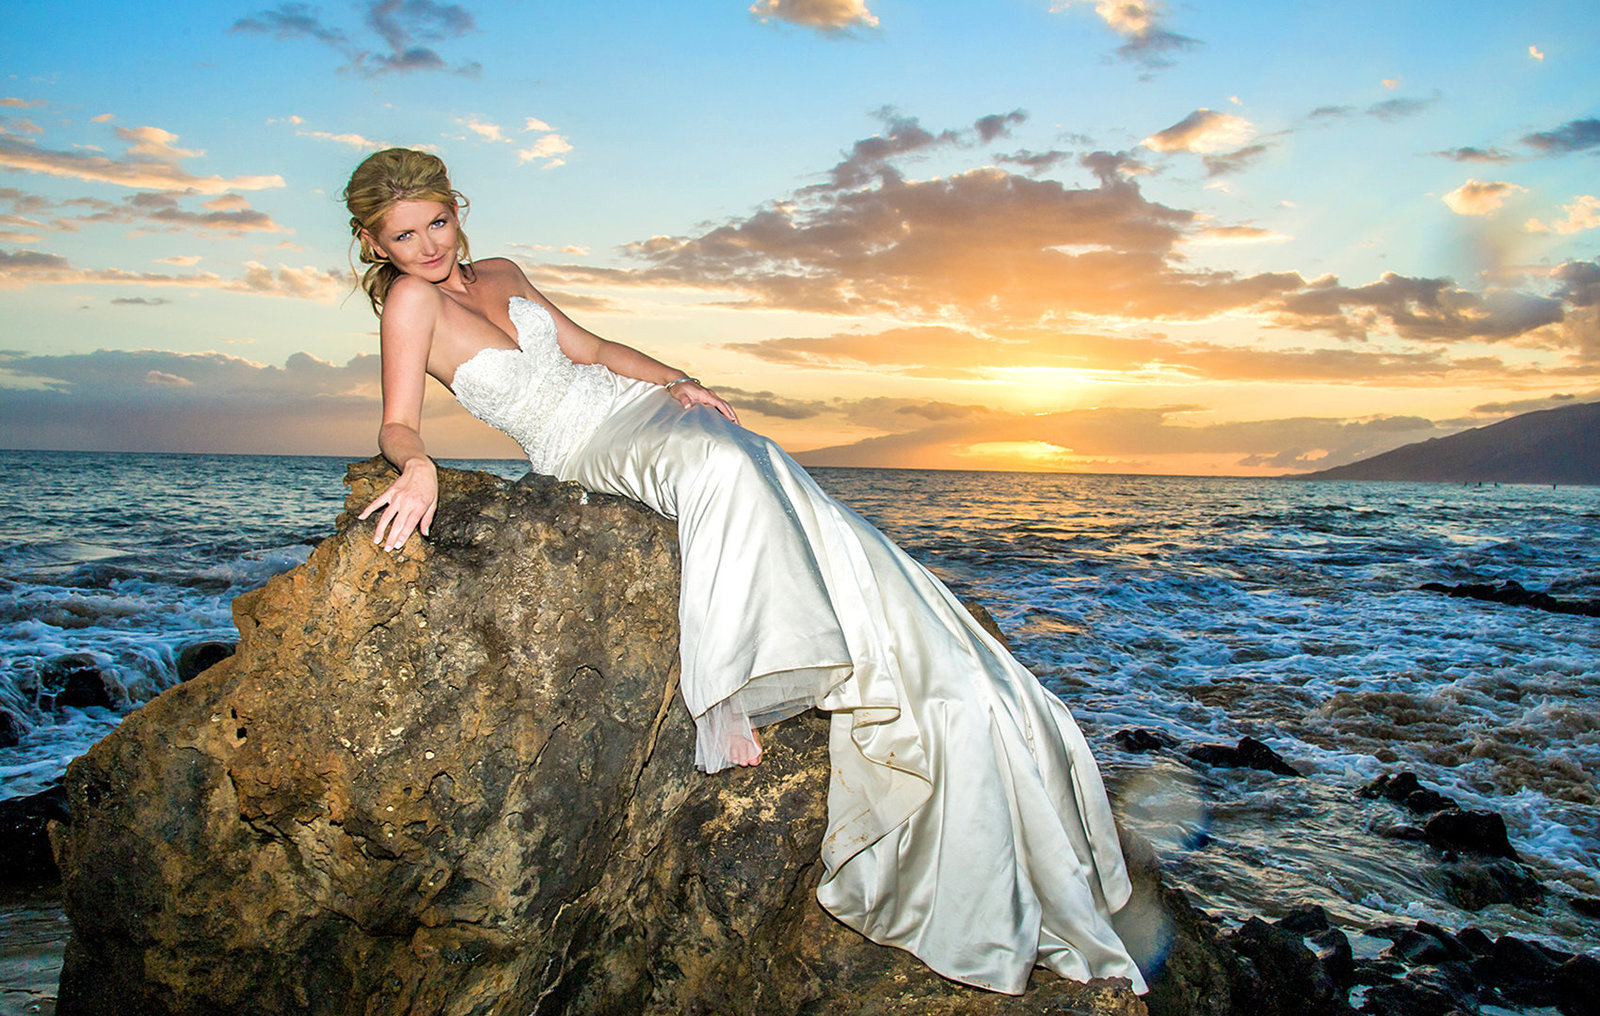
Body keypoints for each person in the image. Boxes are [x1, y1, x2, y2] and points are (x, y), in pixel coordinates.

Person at [343, 147, 1147, 996]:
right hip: (579, 446)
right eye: (405, 234)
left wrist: (679, 379)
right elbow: (398, 421)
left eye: (438, 221)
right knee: (718, 471)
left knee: (746, 449)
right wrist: (418, 465)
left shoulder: (501, 270)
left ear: (457, 209)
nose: (429, 245)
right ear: (375, 242)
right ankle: (726, 693)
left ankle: (885, 632)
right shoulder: (408, 303)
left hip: (632, 405)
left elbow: (590, 347)